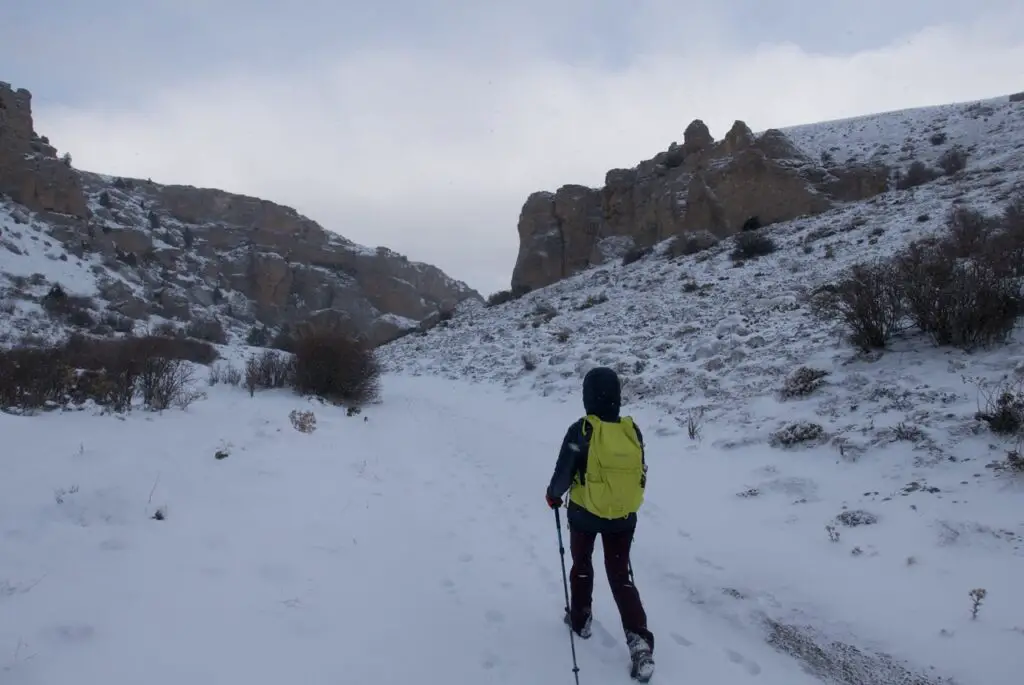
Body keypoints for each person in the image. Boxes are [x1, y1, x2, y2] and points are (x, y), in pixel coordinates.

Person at [545, 366, 655, 682]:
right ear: (617, 398)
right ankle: (640, 644)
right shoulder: (632, 431)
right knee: (621, 575)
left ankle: (581, 619)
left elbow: (563, 475)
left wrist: (553, 496)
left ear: (587, 397)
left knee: (581, 564)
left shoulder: (582, 430)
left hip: (584, 513)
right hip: (623, 516)